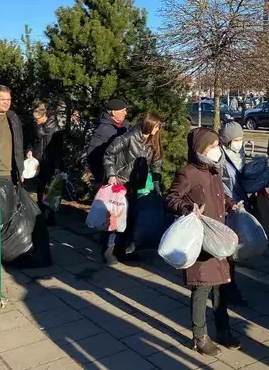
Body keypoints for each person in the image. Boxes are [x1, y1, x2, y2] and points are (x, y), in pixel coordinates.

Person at [166, 128, 241, 356]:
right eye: (212, 146)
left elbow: (219, 195)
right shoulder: (189, 173)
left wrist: (230, 203)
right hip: (200, 240)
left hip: (218, 237)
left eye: (218, 145)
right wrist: (187, 208)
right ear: (200, 149)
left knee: (222, 286)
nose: (217, 150)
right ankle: (200, 336)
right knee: (202, 287)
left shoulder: (214, 170)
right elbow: (171, 198)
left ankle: (223, 330)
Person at [102, 112, 163, 263]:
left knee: (131, 217)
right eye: (156, 126)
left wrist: (156, 182)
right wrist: (111, 174)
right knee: (116, 217)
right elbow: (109, 154)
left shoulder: (152, 140)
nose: (158, 129)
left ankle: (123, 249)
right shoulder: (128, 137)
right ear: (149, 125)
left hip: (136, 185)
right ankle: (109, 249)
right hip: (121, 183)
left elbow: (157, 162)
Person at [219, 121, 248, 307]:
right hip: (226, 207)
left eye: (241, 139)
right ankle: (227, 287)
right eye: (236, 139)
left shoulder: (239, 154)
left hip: (239, 205)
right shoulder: (220, 157)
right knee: (228, 250)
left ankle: (228, 284)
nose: (239, 142)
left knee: (233, 249)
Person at [26, 102, 63, 225]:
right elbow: (30, 141)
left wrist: (57, 166)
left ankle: (51, 216)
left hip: (51, 162)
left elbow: (59, 150)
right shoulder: (34, 126)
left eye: (38, 119)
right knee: (40, 189)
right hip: (38, 161)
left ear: (45, 116)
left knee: (51, 191)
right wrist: (29, 150)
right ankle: (41, 215)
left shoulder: (55, 129)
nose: (35, 121)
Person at [86, 98, 130, 184]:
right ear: (113, 112)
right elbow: (92, 155)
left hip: (123, 173)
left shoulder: (125, 126)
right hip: (108, 176)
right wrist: (103, 176)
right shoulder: (103, 129)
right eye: (123, 111)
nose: (126, 113)